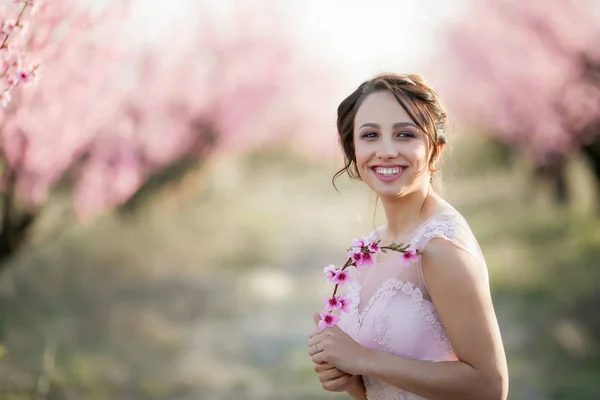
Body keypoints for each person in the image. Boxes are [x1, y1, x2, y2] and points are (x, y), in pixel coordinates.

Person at [306, 73, 509, 400]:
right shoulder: (368, 250)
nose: (386, 151)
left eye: (405, 134)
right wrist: (350, 379)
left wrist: (363, 359)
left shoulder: (440, 248)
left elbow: (490, 387)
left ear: (435, 151)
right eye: (370, 135)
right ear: (353, 151)